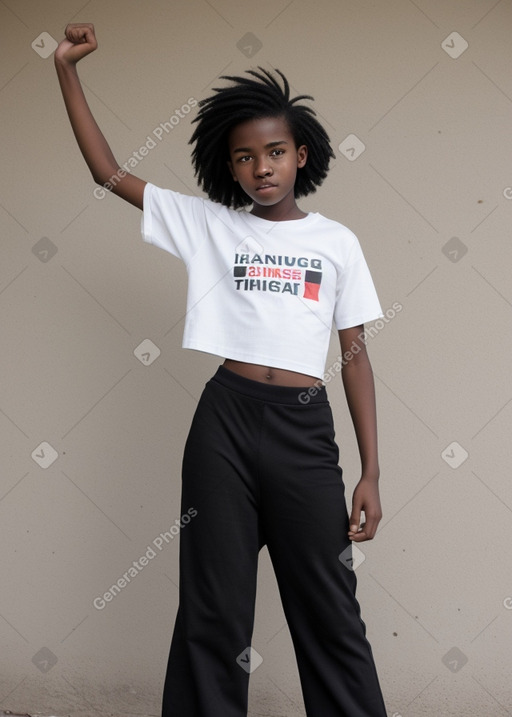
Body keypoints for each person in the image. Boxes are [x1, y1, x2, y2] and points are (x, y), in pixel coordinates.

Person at [55, 22, 388, 717]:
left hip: (303, 433)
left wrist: (371, 470)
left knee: (331, 612)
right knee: (214, 609)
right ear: (227, 166)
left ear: (302, 155)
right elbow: (107, 172)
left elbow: (353, 354)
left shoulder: (336, 243)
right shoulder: (211, 225)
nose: (261, 167)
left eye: (274, 151)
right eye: (244, 157)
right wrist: (66, 70)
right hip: (224, 425)